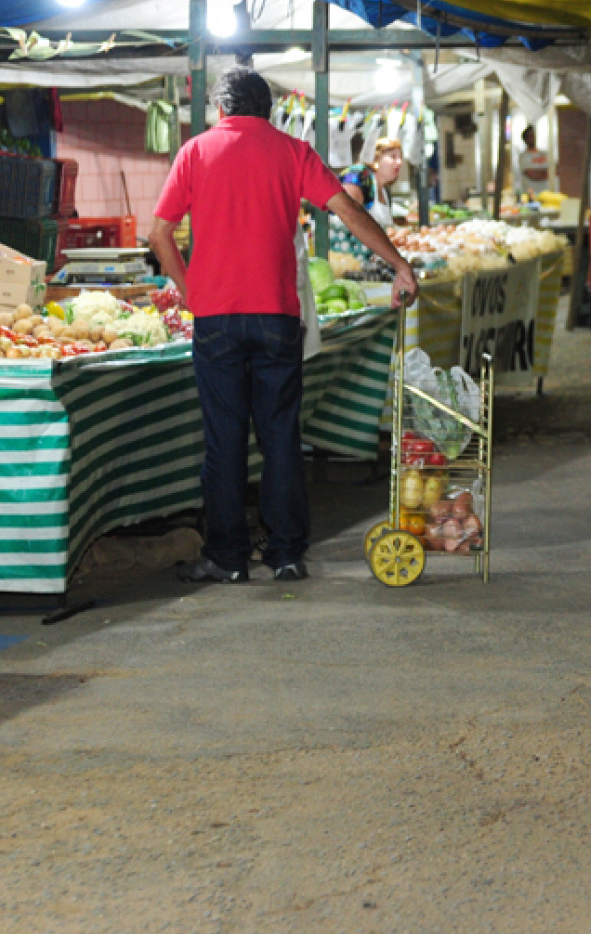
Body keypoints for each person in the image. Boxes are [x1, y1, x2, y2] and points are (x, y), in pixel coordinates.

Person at [150, 69, 417, 585]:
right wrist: (399, 264)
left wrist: (189, 290)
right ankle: (287, 554)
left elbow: (160, 233)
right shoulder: (293, 152)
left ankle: (228, 559)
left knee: (224, 441)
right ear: (268, 110)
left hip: (216, 318)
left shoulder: (195, 152)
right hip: (276, 316)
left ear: (221, 109)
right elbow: (348, 211)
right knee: (280, 437)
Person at [341, 137, 404, 229]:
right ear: (376, 157)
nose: (399, 162)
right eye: (393, 156)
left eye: (400, 157)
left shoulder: (385, 191)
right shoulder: (359, 176)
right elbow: (345, 215)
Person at [516, 125, 551, 196]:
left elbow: (551, 171)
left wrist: (539, 172)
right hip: (531, 194)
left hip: (547, 193)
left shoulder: (544, 153)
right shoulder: (523, 157)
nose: (532, 138)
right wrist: (543, 172)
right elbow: (531, 174)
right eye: (529, 136)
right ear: (525, 139)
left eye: (533, 135)